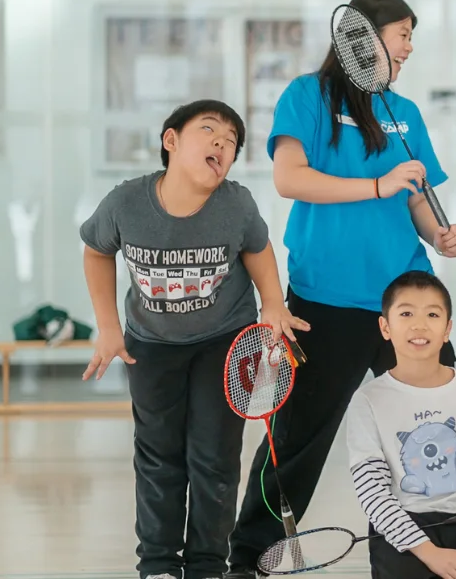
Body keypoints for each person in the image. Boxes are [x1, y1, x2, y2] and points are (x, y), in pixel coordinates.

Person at [226, 0, 456, 577]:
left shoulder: (404, 112)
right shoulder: (307, 95)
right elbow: (290, 178)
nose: (409, 48)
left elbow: (416, 198)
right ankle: (248, 556)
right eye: (403, 34)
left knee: (435, 428)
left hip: (404, 299)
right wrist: (377, 186)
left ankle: (447, 549)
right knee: (298, 440)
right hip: (326, 299)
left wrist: (441, 235)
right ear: (363, 37)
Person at [79, 99, 309, 579]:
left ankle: (206, 565)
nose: (221, 143)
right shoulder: (125, 203)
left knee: (214, 458)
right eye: (209, 131)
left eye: (231, 142)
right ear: (171, 141)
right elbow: (96, 250)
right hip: (150, 344)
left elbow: (257, 247)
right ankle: (159, 564)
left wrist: (272, 302)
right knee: (158, 457)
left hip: (223, 341)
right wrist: (108, 327)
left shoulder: (236, 204)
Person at [343, 271, 456, 579]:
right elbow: (372, 490)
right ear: (385, 327)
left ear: (447, 329)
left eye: (432, 314)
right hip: (403, 529)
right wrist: (427, 551)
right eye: (406, 313)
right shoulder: (367, 400)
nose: (419, 325)